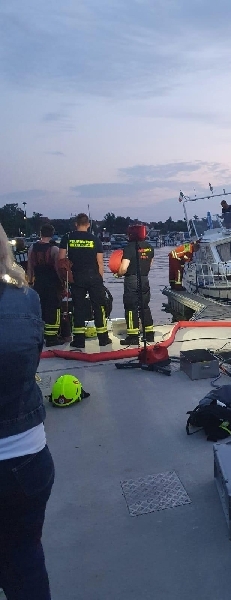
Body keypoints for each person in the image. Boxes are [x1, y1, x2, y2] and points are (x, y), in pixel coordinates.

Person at [0, 222, 55, 599]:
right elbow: (31, 359)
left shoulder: (38, 253)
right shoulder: (25, 300)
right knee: (25, 557)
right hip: (29, 456)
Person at [59, 213, 111, 349]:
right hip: (94, 277)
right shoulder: (95, 239)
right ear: (88, 225)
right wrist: (100, 279)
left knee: (78, 307)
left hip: (76, 277)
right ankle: (103, 339)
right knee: (99, 307)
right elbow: (100, 262)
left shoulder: (67, 237)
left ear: (76, 224)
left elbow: (61, 260)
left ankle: (79, 340)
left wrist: (64, 279)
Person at [27, 223, 64, 347]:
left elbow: (30, 267)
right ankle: (52, 338)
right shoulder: (54, 249)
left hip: (38, 283)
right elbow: (58, 269)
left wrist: (30, 282)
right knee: (53, 309)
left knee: (40, 308)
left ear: (40, 233)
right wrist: (63, 283)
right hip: (52, 284)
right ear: (52, 234)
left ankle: (40, 336)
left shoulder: (32, 248)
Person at [117, 230, 155, 346]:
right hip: (144, 279)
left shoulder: (129, 248)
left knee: (131, 307)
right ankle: (149, 335)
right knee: (144, 307)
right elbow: (150, 264)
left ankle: (133, 337)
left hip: (132, 280)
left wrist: (118, 274)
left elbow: (124, 268)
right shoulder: (149, 247)